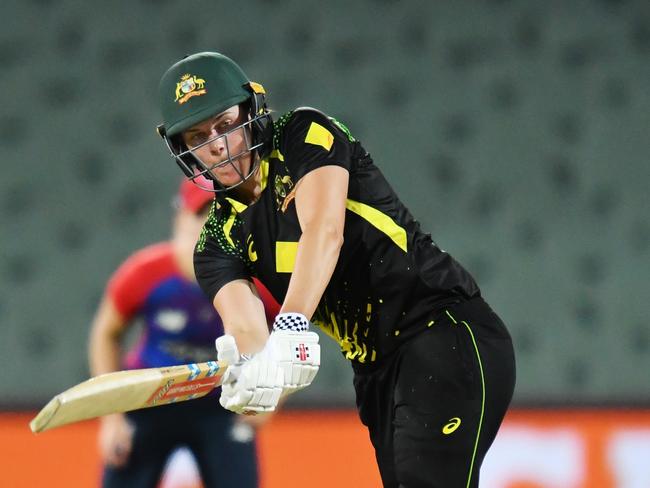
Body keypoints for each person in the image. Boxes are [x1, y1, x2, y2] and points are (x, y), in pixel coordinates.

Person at [156, 51, 516, 488]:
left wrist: (290, 326)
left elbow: (324, 231)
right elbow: (247, 327)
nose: (216, 143)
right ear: (181, 149)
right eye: (198, 135)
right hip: (376, 372)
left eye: (226, 123)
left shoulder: (302, 134)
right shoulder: (215, 242)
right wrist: (252, 376)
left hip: (443, 330)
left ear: (250, 110)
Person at [88, 175, 279, 488]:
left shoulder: (261, 280)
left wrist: (270, 398)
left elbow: (287, 342)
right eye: (201, 216)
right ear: (180, 219)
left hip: (222, 403)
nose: (210, 230)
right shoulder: (146, 273)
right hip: (148, 400)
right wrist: (112, 417)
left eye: (224, 217)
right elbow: (105, 333)